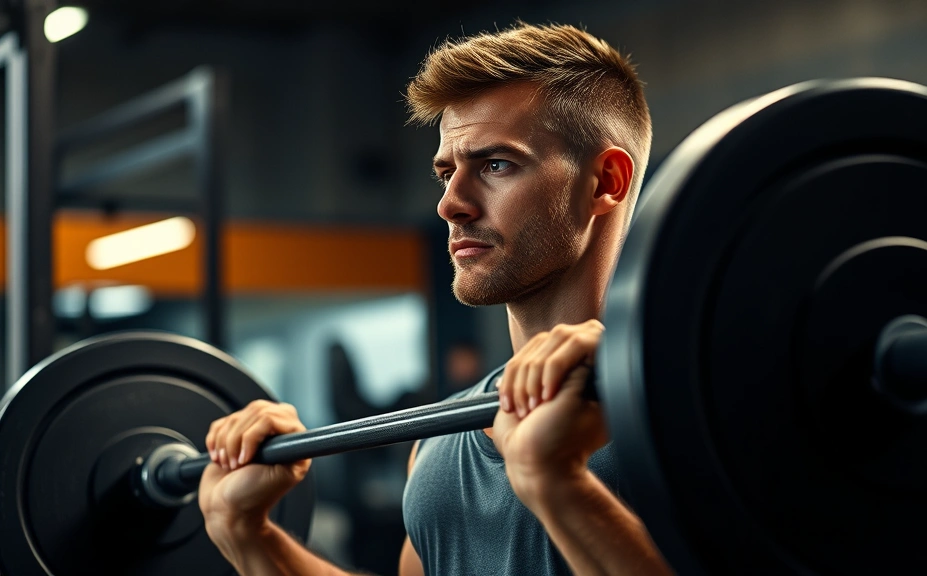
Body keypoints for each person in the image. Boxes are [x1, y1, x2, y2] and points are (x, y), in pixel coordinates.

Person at [198, 21, 672, 575]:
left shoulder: (690, 408)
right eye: (446, 174)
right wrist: (247, 534)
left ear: (605, 182)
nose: (451, 204)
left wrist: (557, 484)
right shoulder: (443, 439)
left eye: (496, 165)